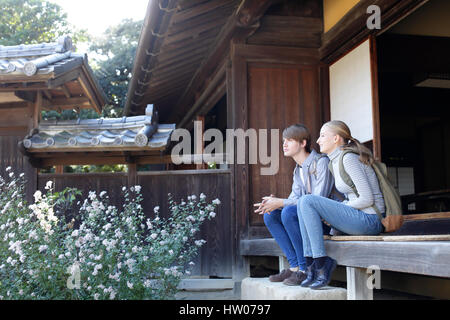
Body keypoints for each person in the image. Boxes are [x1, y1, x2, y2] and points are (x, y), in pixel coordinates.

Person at [297, 120, 385, 290]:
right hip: (359, 217)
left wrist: (342, 207)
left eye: (323, 135)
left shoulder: (348, 159)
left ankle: (322, 264)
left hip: (371, 219)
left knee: (308, 200)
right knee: (303, 201)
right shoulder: (334, 162)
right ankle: (311, 267)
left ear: (336, 138)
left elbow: (367, 199)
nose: (318, 140)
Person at [254, 124, 336, 286]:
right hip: (307, 220)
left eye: (289, 140)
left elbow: (318, 200)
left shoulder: (321, 162)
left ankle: (305, 269)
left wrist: (282, 203)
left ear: (303, 143)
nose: (284, 144)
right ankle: (295, 266)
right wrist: (273, 204)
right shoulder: (297, 170)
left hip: (326, 221)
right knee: (271, 214)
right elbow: (294, 198)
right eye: (284, 140)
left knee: (289, 212)